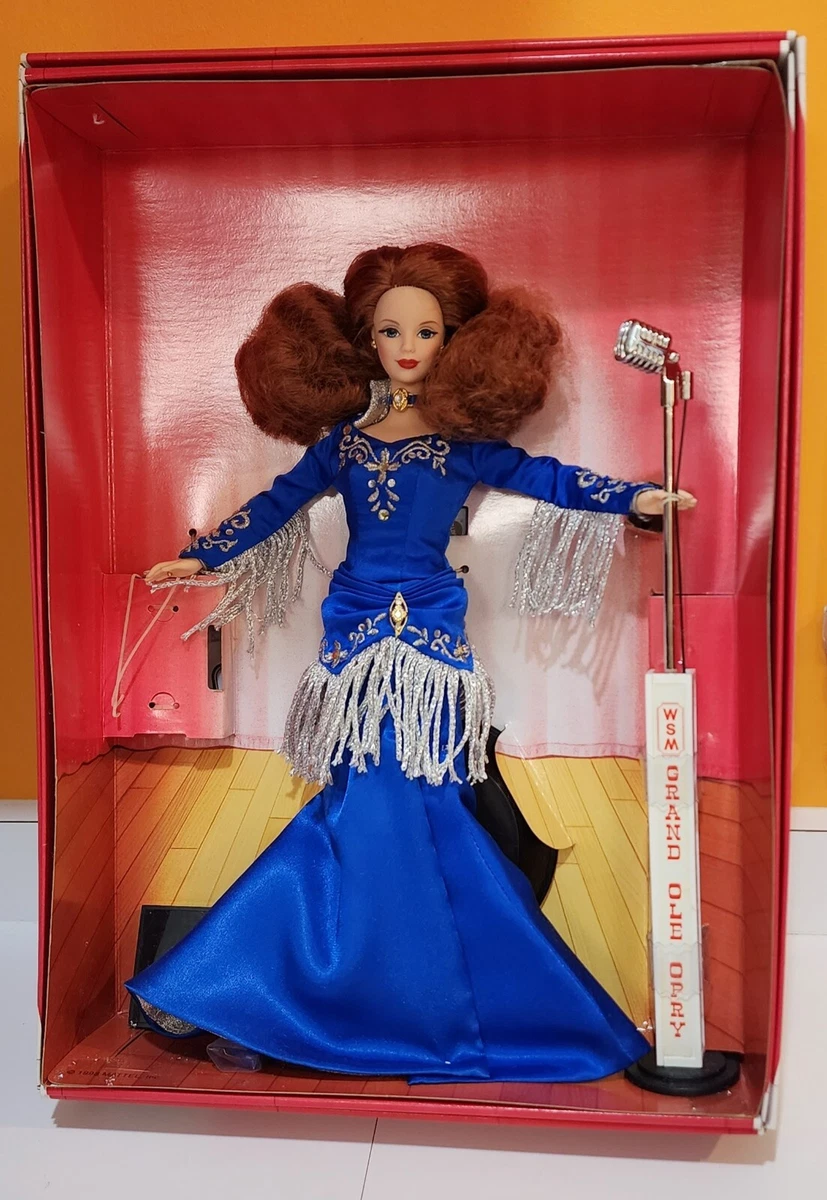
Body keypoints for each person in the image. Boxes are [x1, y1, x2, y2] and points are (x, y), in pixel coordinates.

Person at [126, 243, 696, 1083]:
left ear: (455, 341)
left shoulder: (462, 445)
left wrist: (632, 497)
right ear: (364, 339)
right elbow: (276, 504)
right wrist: (203, 555)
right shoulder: (342, 447)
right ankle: (336, 992)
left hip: (430, 634)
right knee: (365, 798)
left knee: (414, 800)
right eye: (390, 331)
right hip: (354, 632)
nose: (406, 346)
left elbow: (545, 477)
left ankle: (319, 991)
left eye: (425, 332)